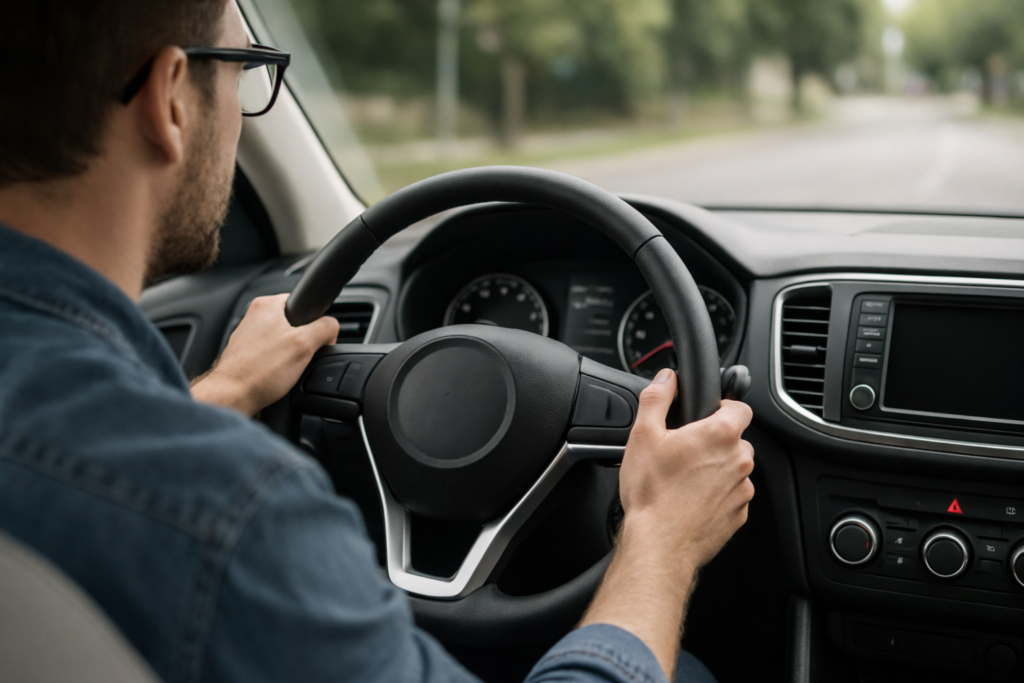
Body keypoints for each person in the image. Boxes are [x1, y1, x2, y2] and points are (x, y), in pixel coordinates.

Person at [0, 1, 755, 682]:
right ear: (170, 98)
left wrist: (223, 392)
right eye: (246, 70)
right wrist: (661, 535)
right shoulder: (230, 512)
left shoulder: (140, 472)